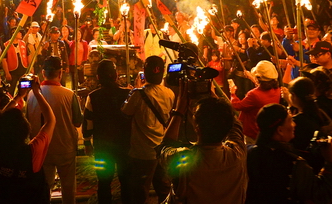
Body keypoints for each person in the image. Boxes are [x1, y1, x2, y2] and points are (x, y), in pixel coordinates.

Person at [160, 79, 247, 203]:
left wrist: (179, 110)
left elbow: (164, 147)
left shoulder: (184, 158)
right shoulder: (237, 154)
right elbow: (235, 126)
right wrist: (216, 99)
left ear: (197, 127)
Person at [245, 103, 332, 204]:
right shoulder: (294, 164)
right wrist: (331, 162)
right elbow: (321, 196)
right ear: (280, 130)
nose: (294, 124)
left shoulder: (248, 153)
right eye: (290, 120)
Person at [0, 74, 56, 203]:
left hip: (6, 198)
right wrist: (37, 93)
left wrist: (19, 96)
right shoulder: (32, 151)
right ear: (26, 129)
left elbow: (1, 118)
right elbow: (51, 120)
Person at [25, 56, 82, 204]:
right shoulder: (69, 95)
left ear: (43, 73)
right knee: (68, 189)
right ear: (60, 73)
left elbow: (27, 121)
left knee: (44, 189)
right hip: (65, 148)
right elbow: (77, 122)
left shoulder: (31, 95)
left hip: (41, 150)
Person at [122, 55, 174, 204]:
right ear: (162, 73)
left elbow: (125, 112)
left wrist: (134, 89)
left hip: (142, 152)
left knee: (140, 191)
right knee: (163, 189)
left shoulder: (138, 94)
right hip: (162, 149)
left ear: (145, 71)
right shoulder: (169, 93)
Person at [83, 59, 131, 204]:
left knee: (103, 182)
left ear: (98, 77)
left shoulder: (93, 96)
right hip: (125, 145)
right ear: (116, 75)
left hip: (102, 146)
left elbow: (88, 122)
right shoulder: (128, 93)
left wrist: (87, 143)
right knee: (126, 181)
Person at [230, 60, 281, 143]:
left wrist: (233, 94)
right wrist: (252, 78)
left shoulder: (254, 94)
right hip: (266, 131)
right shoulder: (277, 91)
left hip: (253, 132)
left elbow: (237, 106)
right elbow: (262, 87)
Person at [2, 27, 29, 95]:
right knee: (11, 90)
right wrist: (7, 73)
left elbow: (28, 55)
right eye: (19, 32)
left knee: (25, 88)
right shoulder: (6, 45)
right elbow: (4, 60)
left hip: (23, 70)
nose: (21, 34)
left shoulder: (23, 43)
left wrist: (30, 68)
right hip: (12, 72)